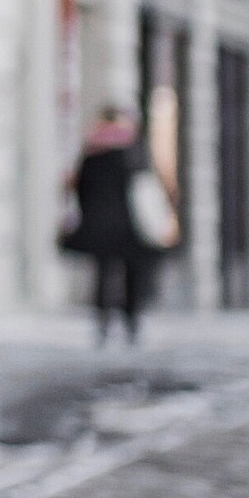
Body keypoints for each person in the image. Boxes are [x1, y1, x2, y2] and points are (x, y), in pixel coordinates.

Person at [65, 106, 171, 340]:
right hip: (131, 224)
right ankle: (131, 320)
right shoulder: (131, 150)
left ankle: (103, 321)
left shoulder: (91, 151)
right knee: (132, 271)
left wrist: (89, 214)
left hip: (99, 223)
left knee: (103, 272)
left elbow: (81, 188)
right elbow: (145, 185)